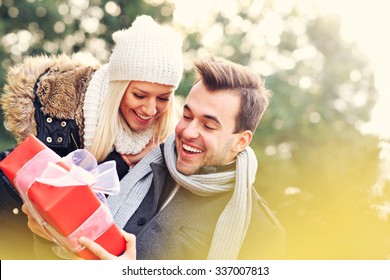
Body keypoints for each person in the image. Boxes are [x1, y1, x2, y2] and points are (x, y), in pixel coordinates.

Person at [30, 55, 285, 260]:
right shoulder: (131, 162)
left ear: (241, 141)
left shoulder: (262, 232)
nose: (188, 131)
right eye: (187, 115)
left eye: (208, 126)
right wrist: (46, 234)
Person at [0, 15, 183, 259]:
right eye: (140, 95)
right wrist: (124, 163)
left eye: (163, 98)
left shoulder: (168, 144)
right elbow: (71, 200)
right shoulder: (59, 121)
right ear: (119, 88)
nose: (150, 110)